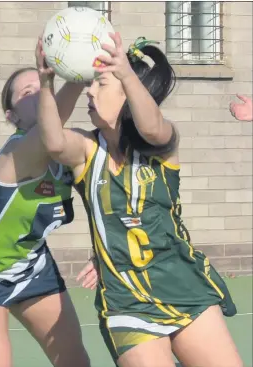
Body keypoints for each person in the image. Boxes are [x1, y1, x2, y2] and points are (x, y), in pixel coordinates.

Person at [36, 33, 244, 367]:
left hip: (183, 283)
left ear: (129, 93)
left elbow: (150, 128)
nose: (91, 91)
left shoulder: (162, 144)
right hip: (126, 298)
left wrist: (126, 73)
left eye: (100, 84)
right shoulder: (87, 150)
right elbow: (53, 141)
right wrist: (53, 83)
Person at [0, 65, 98, 367]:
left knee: (76, 362)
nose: (41, 92)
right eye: (29, 92)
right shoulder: (16, 152)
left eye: (43, 86)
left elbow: (103, 201)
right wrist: (76, 79)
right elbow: (45, 134)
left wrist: (101, 255)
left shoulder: (68, 150)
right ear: (12, 117)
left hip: (32, 267)